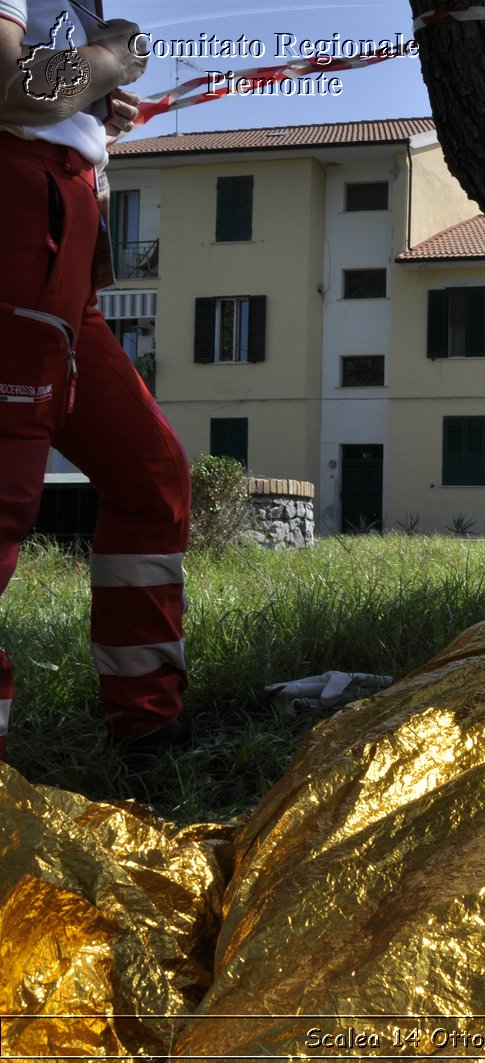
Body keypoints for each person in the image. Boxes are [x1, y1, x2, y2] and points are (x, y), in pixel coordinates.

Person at [0, 2, 191, 771]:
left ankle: (148, 728)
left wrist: (89, 98)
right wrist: (111, 58)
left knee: (151, 474)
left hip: (61, 242)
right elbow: (13, 87)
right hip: (21, 218)